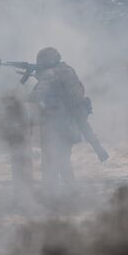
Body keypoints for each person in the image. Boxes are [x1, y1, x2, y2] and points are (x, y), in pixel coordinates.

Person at [28, 47, 108, 189]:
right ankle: (70, 190)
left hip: (56, 125)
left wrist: (37, 80)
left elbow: (36, 96)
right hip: (72, 123)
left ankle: (53, 193)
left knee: (51, 162)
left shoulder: (49, 74)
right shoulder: (69, 70)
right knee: (64, 160)